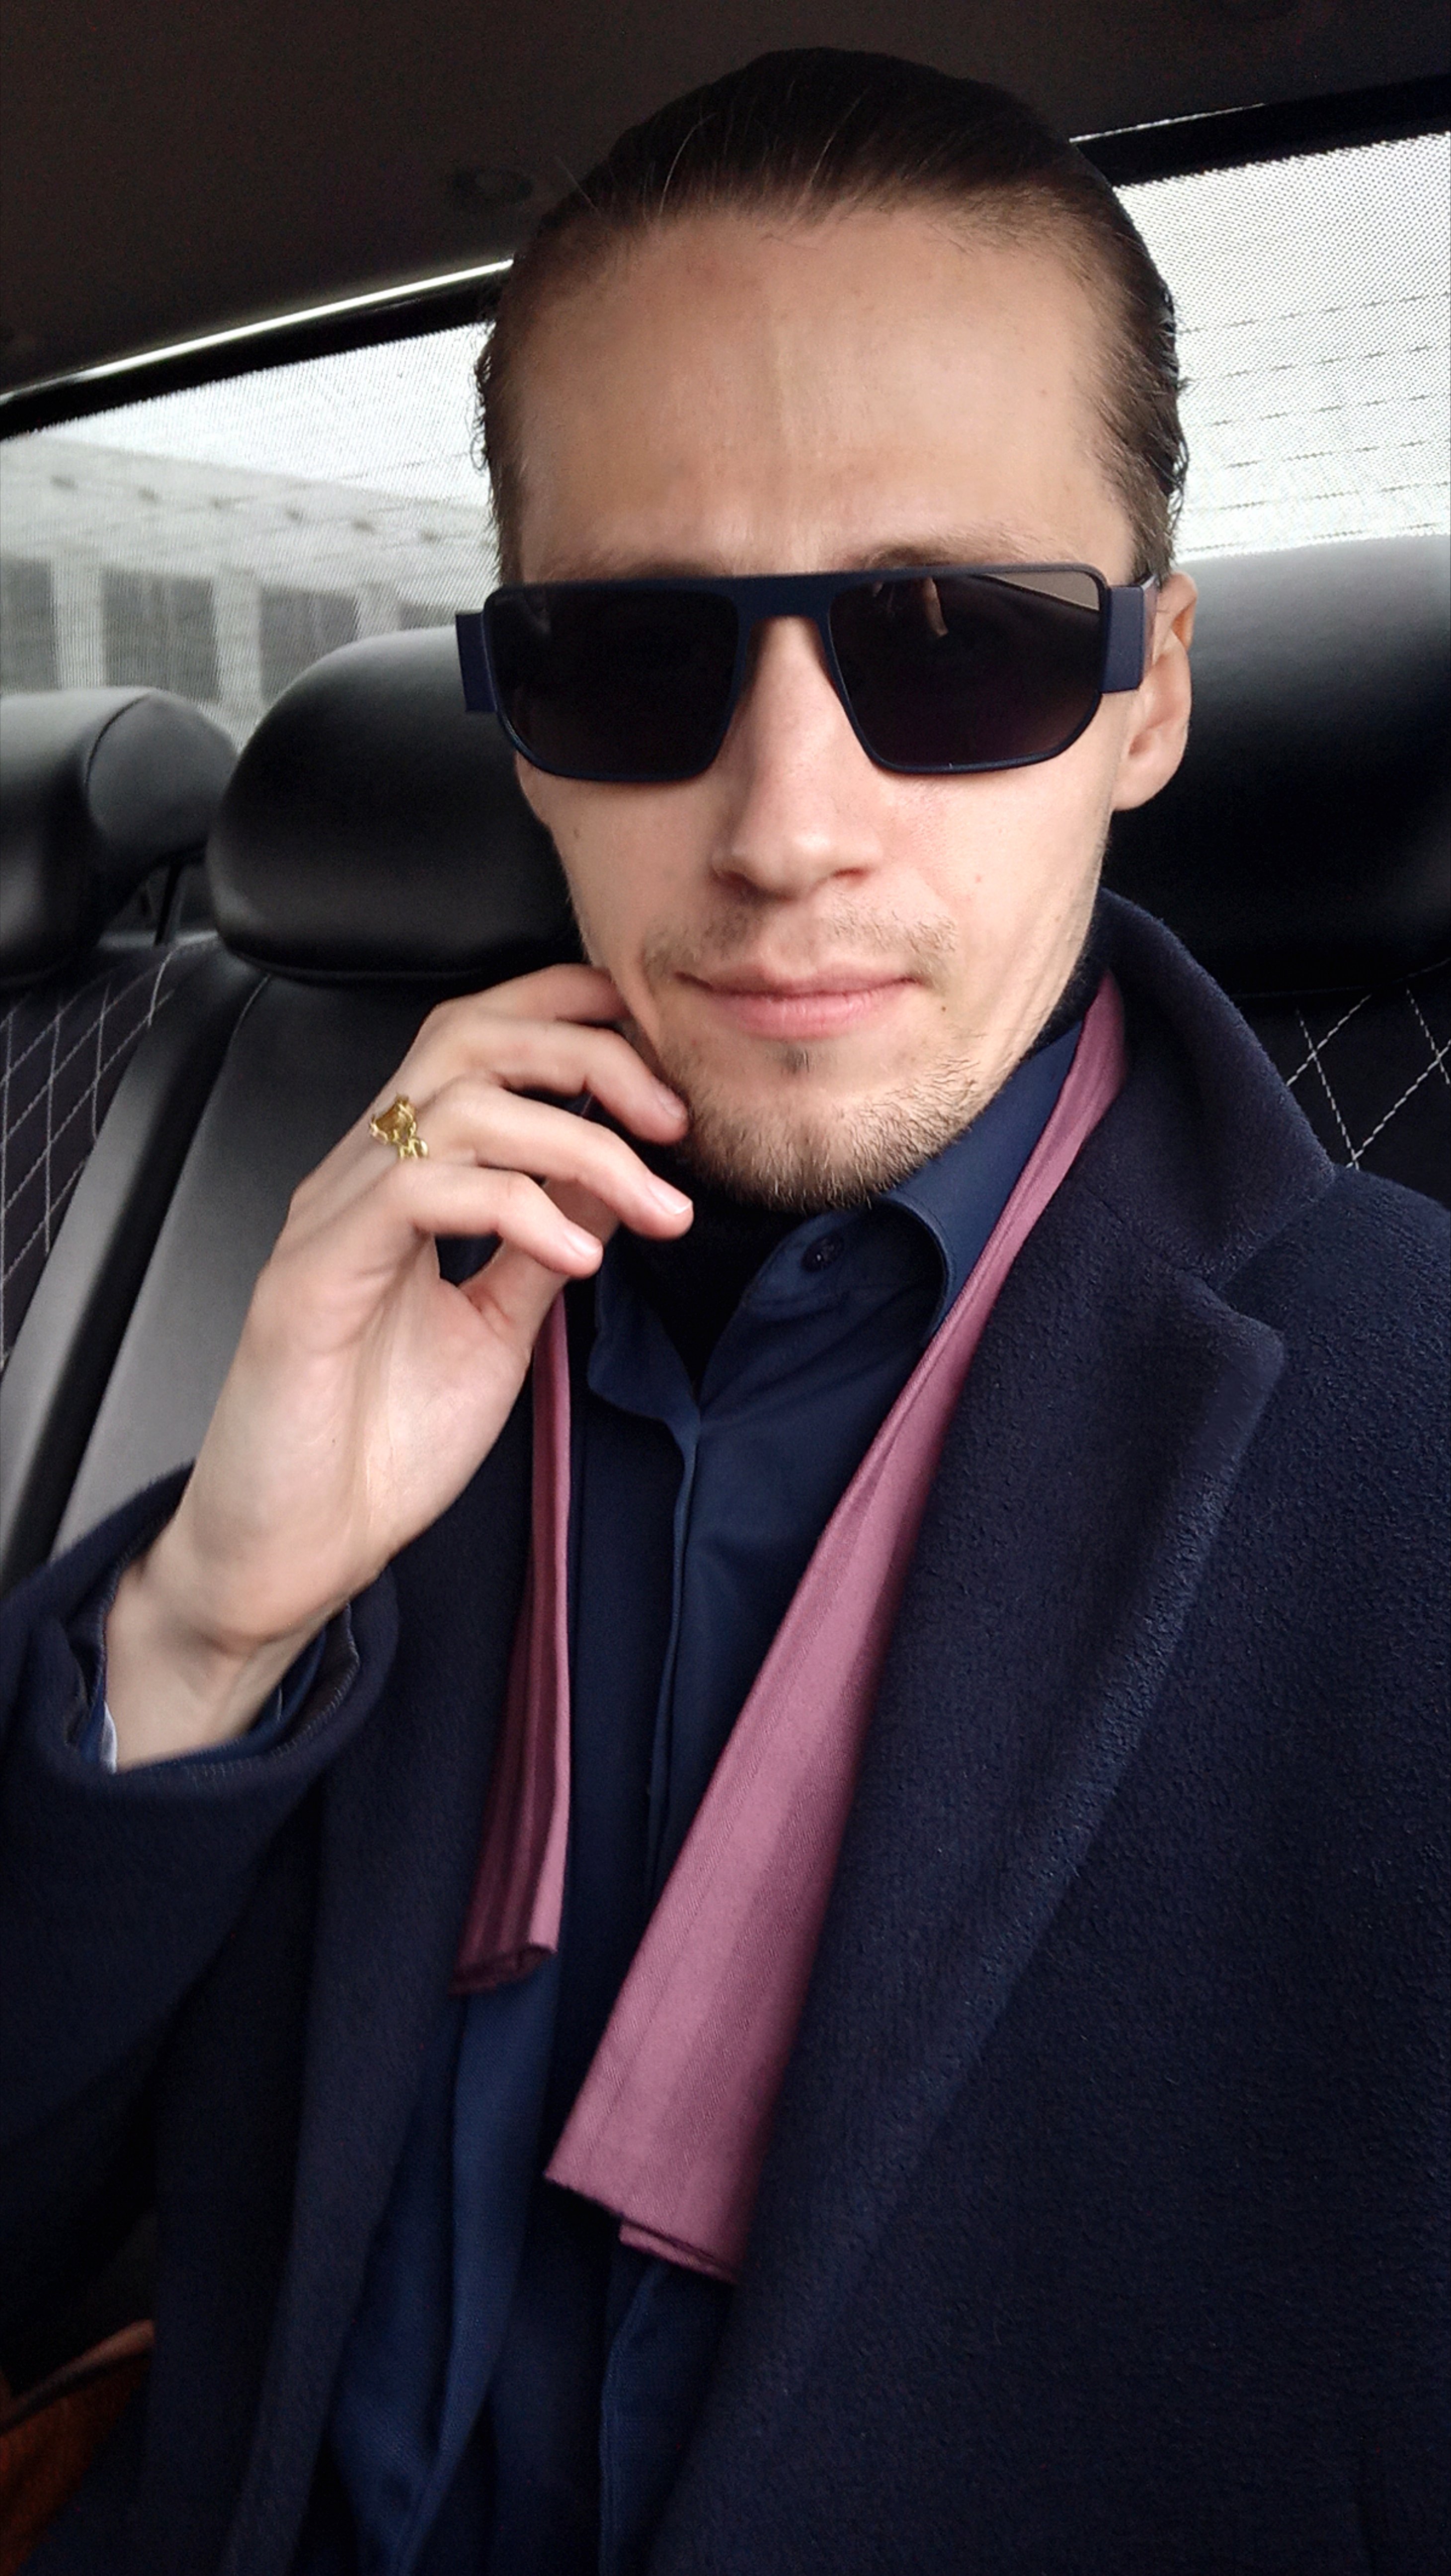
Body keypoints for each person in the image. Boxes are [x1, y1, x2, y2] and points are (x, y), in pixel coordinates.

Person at [1, 48, 1445, 2576]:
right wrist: (213, 1619)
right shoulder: (376, 1319)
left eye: (958, 647)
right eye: (634, 664)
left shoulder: (1406, 1444)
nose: (784, 830)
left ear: (1149, 695)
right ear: (520, 729)